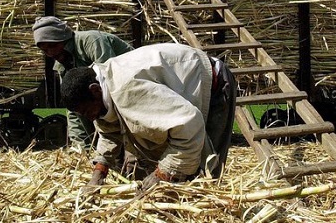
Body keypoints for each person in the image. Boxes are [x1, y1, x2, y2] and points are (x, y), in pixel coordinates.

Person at [60, 43, 237, 192]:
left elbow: (189, 125)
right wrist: (99, 173)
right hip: (191, 88)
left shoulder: (127, 90)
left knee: (207, 172)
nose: (89, 118)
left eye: (86, 111)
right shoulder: (102, 88)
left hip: (213, 83)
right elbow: (109, 131)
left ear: (95, 90)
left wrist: (163, 173)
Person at [32, 16, 134, 148]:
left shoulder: (92, 42)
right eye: (45, 50)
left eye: (53, 45)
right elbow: (73, 106)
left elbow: (112, 87)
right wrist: (81, 148)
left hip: (130, 90)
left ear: (63, 38)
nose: (51, 53)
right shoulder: (62, 64)